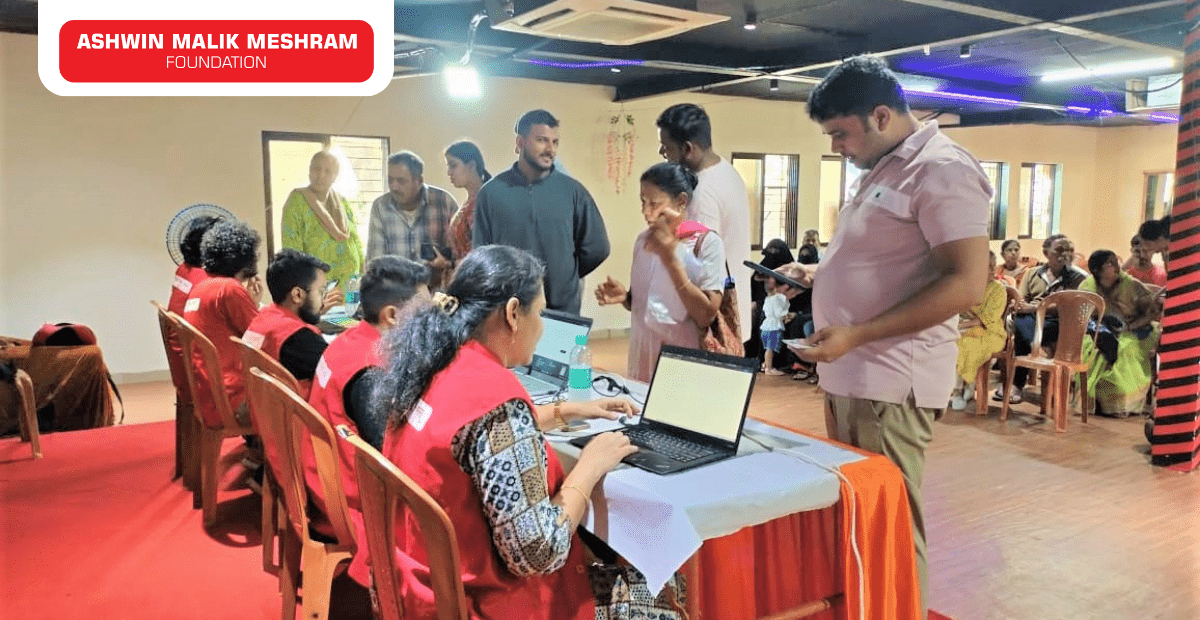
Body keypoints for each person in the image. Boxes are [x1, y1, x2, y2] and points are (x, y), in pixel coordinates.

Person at [777, 55, 991, 614]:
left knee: (891, 523)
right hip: (852, 372)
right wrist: (818, 275)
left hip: (891, 381)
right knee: (858, 516)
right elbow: (885, 263)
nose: (836, 148)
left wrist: (859, 332)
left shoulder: (942, 169)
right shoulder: (883, 167)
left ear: (880, 115)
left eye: (841, 134)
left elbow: (967, 284)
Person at [374, 245, 682, 620]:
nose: (542, 326)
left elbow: (465, 436)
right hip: (492, 603)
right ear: (512, 313)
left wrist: (564, 411)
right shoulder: (497, 403)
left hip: (425, 588)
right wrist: (589, 466)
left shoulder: (434, 365)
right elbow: (540, 553)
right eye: (540, 312)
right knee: (661, 583)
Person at [305, 255, 431, 587]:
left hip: (323, 481)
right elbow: (393, 459)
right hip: (353, 506)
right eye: (424, 312)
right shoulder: (371, 373)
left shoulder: (348, 343)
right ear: (392, 316)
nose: (432, 321)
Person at [594, 162, 727, 383]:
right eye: (642, 202)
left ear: (681, 201)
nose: (645, 212)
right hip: (641, 360)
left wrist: (670, 259)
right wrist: (627, 299)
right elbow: (652, 308)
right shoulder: (643, 241)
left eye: (654, 204)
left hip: (681, 365)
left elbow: (706, 316)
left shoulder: (706, 243)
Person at [473, 110, 611, 314]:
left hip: (563, 311)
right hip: (511, 312)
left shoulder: (573, 191)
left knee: (572, 347)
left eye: (555, 142)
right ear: (520, 143)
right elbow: (482, 253)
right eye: (542, 140)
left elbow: (598, 247)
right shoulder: (491, 193)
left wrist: (566, 274)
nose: (550, 149)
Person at [656, 103, 752, 335]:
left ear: (688, 149)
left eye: (667, 147)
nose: (662, 153)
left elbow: (698, 263)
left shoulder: (700, 193)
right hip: (734, 316)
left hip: (710, 326)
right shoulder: (728, 172)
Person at [183, 220, 264, 427]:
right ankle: (268, 454)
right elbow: (260, 339)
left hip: (208, 395)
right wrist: (255, 305)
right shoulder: (229, 289)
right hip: (232, 399)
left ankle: (256, 452)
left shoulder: (200, 288)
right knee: (298, 390)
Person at [995, 234, 1088, 404]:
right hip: (1032, 319)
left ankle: (1015, 384)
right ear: (1046, 253)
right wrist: (1022, 306)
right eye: (1059, 250)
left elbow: (1070, 308)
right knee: (1018, 321)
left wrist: (1037, 307)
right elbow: (1021, 298)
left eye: (1069, 250)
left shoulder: (1078, 278)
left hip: (1060, 323)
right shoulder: (1032, 273)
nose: (1065, 254)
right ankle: (1031, 346)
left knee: (1021, 329)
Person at [243, 249, 340, 396]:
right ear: (297, 295)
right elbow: (341, 370)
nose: (323, 300)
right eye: (320, 292)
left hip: (261, 408)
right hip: (292, 417)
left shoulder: (264, 316)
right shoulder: (298, 339)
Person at [1080, 249, 1160, 417]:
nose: (1114, 266)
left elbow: (1152, 312)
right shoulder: (1088, 286)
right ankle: (1096, 403)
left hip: (1135, 330)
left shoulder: (1132, 285)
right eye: (1108, 264)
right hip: (1101, 330)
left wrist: (1129, 326)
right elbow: (1081, 312)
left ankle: (1120, 404)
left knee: (1123, 349)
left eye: (1114, 262)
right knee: (1092, 348)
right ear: (1096, 270)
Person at [366, 151, 458, 288]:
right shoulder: (380, 206)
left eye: (401, 181)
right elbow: (376, 263)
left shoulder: (444, 202)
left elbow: (462, 254)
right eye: (390, 180)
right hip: (397, 296)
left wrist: (446, 264)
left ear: (419, 181)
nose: (393, 187)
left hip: (438, 297)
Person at [280, 149, 365, 287]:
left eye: (328, 171)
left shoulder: (342, 202)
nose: (321, 175)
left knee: (352, 309)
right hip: (319, 290)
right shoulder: (297, 202)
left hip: (351, 286)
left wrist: (364, 272)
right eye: (316, 169)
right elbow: (291, 253)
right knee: (325, 309)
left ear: (335, 176)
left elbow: (355, 240)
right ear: (309, 171)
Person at [951, 251, 1008, 410]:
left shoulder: (998, 290)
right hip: (968, 329)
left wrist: (960, 326)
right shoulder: (967, 287)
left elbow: (986, 319)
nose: (991, 270)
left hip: (991, 333)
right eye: (986, 267)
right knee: (947, 341)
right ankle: (966, 384)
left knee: (964, 343)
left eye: (993, 266)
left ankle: (958, 390)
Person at [444, 140, 492, 263]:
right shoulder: (470, 201)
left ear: (471, 165)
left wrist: (451, 264)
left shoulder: (485, 203)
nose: (449, 172)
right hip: (462, 275)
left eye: (453, 165)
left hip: (476, 277)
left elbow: (484, 254)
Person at [759, 276, 788, 376]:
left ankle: (765, 365)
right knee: (770, 349)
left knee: (767, 348)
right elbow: (779, 313)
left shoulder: (767, 299)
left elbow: (766, 311)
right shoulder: (779, 298)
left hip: (765, 327)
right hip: (773, 327)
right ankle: (769, 369)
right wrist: (786, 314)